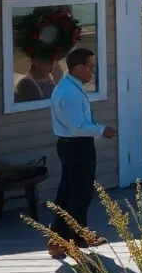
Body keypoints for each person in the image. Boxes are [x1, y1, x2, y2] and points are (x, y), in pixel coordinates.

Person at [48, 48, 114, 259]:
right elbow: (77, 127)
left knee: (70, 192)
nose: (92, 73)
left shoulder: (70, 87)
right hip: (76, 146)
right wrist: (102, 129)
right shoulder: (69, 93)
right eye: (91, 67)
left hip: (73, 145)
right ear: (79, 67)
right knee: (79, 194)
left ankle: (69, 238)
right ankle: (66, 240)